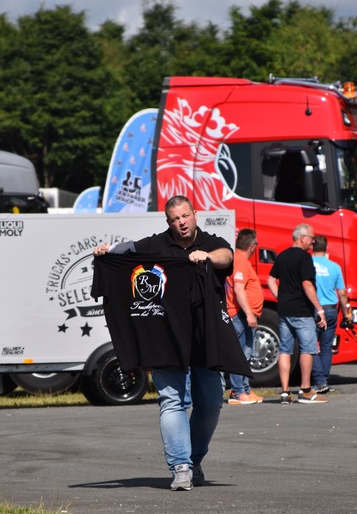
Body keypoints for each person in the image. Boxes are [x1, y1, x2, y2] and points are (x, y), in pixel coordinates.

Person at [93, 195, 235, 491]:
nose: (181, 222)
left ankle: (194, 459)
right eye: (174, 219)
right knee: (173, 401)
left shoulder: (209, 242)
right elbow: (129, 249)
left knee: (210, 402)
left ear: (195, 215)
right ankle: (181, 467)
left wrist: (206, 257)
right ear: (168, 222)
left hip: (203, 334)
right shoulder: (156, 245)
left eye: (185, 216)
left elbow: (227, 256)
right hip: (164, 335)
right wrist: (108, 251)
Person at [266, 223, 329, 405]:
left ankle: (285, 392)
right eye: (311, 238)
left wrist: (281, 297)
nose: (313, 241)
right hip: (302, 311)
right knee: (307, 349)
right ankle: (306, 390)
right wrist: (319, 308)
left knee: (285, 350)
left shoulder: (283, 255)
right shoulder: (304, 258)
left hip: (284, 311)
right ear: (302, 238)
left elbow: (270, 280)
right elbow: (307, 285)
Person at [225, 229, 264, 404]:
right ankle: (237, 391)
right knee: (240, 355)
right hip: (240, 315)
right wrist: (249, 314)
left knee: (246, 355)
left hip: (243, 314)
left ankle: (245, 390)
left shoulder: (239, 259)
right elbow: (239, 290)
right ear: (252, 246)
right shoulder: (240, 261)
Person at [311, 235, 352, 393]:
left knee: (311, 346)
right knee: (327, 347)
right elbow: (342, 293)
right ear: (326, 248)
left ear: (312, 247)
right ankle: (325, 380)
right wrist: (347, 314)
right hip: (330, 309)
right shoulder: (334, 267)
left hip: (313, 308)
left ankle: (318, 380)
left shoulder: (307, 264)